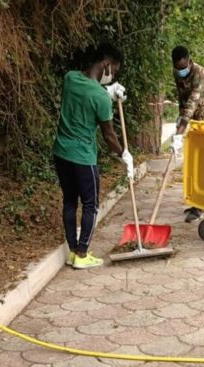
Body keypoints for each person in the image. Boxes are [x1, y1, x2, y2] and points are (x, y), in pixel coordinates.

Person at [54, 42, 133, 269]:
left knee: (70, 201)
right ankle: (82, 253)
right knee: (90, 205)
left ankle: (72, 252)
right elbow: (109, 135)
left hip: (61, 153)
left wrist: (108, 90)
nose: (113, 74)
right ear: (106, 64)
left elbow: (84, 90)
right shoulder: (100, 97)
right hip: (83, 158)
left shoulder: (69, 79)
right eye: (114, 70)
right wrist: (124, 154)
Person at [171, 45, 204, 223]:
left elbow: (193, 101)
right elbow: (182, 98)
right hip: (193, 122)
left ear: (189, 61)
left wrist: (182, 126)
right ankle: (197, 201)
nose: (181, 71)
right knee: (195, 162)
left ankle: (203, 204)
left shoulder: (200, 74)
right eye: (178, 68)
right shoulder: (177, 73)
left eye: (184, 68)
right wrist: (179, 122)